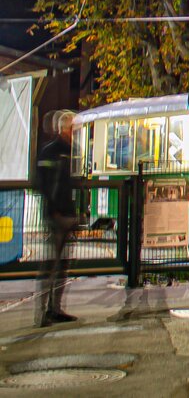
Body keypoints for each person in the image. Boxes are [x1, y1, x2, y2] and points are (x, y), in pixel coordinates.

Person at [35, 110, 78, 326]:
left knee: (61, 264)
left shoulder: (60, 151)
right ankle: (45, 310)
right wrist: (54, 209)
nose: (75, 133)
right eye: (73, 129)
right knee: (53, 264)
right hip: (57, 214)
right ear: (65, 129)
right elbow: (44, 184)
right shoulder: (57, 152)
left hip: (64, 213)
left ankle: (54, 308)